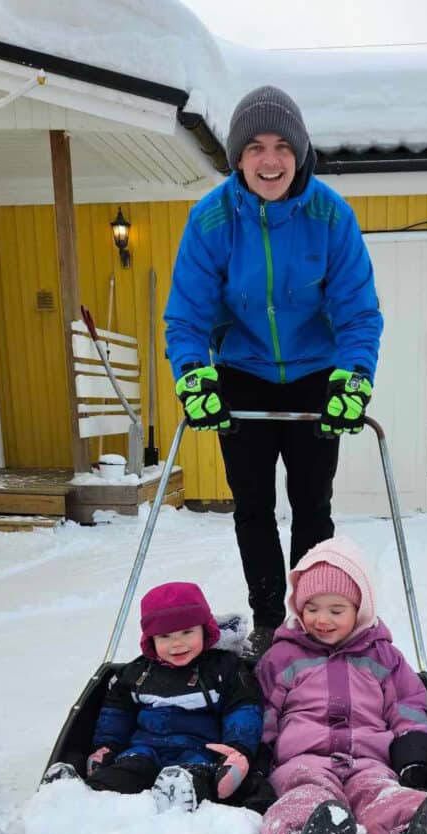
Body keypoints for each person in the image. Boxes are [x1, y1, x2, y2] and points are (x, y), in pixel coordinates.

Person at [164, 85, 384, 662]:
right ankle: (268, 621)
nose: (270, 160)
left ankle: (316, 617)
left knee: (313, 504)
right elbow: (186, 314)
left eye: (283, 146)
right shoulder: (212, 220)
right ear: (238, 156)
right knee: (254, 505)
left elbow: (359, 311)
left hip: (316, 375)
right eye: (256, 146)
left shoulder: (330, 216)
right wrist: (194, 375)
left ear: (300, 153)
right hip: (243, 375)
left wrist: (353, 377)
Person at [255, 537, 427, 834]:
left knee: (384, 797)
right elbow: (263, 711)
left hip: (369, 759)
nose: (322, 620)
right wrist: (257, 760)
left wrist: (413, 756)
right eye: (311, 608)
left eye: (336, 610)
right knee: (304, 798)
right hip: (303, 760)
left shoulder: (383, 657)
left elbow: (407, 705)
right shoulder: (282, 658)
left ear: (360, 610)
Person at [78, 581, 264, 811]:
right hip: (146, 748)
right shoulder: (138, 673)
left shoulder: (223, 667)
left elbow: (244, 707)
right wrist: (107, 746)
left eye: (187, 632)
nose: (177, 644)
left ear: (204, 630)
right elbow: (117, 712)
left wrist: (238, 748)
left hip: (200, 751)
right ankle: (83, 795)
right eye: (165, 636)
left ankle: (182, 797)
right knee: (128, 769)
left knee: (197, 776)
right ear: (151, 640)